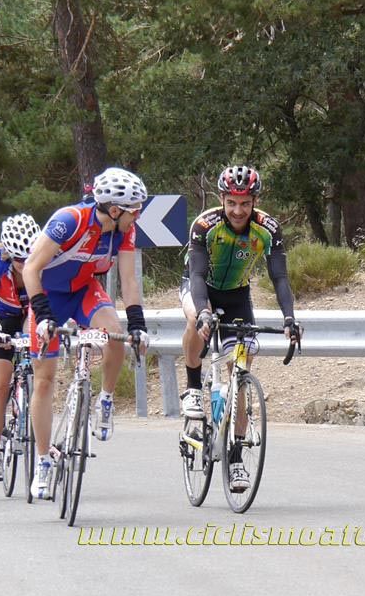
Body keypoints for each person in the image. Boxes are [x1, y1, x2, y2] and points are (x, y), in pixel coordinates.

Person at [22, 167, 150, 500]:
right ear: (115, 209)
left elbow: (129, 280)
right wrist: (44, 316)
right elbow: (30, 268)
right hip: (48, 297)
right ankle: (43, 460)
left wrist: (138, 323)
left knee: (115, 334)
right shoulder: (69, 220)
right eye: (135, 209)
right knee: (45, 379)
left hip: (83, 291)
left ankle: (104, 400)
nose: (138, 215)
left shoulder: (123, 232)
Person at [179, 165, 302, 492]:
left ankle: (235, 458)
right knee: (196, 320)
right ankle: (193, 388)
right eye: (231, 203)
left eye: (244, 203)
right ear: (222, 199)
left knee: (241, 376)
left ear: (254, 201)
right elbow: (195, 277)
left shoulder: (268, 229)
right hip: (199, 288)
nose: (237, 210)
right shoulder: (205, 225)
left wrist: (289, 317)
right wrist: (204, 313)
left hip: (237, 295)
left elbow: (280, 278)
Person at [0, 213, 40, 481]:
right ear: (6, 253)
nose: (24, 264)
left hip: (32, 314)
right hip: (2, 318)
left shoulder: (43, 260)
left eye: (28, 259)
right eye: (18, 260)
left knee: (43, 377)